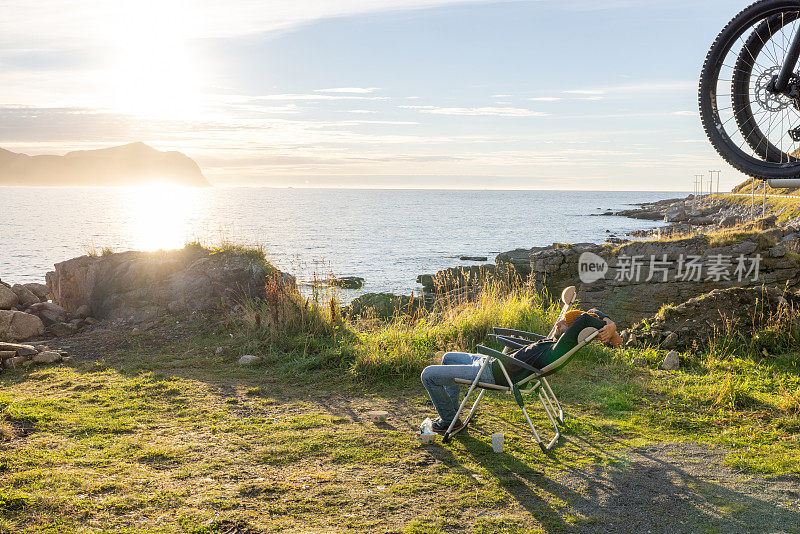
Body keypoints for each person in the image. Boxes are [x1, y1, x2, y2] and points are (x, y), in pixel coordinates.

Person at [420, 308, 623, 433]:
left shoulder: (556, 349)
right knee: (447, 357)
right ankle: (453, 416)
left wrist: (611, 330)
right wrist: (609, 322)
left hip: (493, 372)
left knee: (428, 375)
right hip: (491, 363)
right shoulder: (551, 342)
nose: (558, 322)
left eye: (563, 323)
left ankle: (447, 420)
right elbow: (593, 311)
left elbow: (585, 319)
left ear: (568, 331)